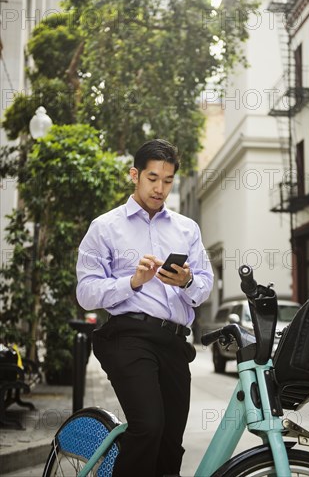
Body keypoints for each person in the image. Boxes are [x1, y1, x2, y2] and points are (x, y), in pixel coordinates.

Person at [76, 139, 214, 477]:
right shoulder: (105, 227)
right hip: (129, 337)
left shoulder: (187, 229)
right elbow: (85, 293)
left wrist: (184, 281)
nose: (160, 188)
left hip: (175, 343)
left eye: (168, 181)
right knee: (149, 426)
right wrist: (133, 281)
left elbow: (205, 285)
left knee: (170, 442)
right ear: (134, 174)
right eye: (152, 178)